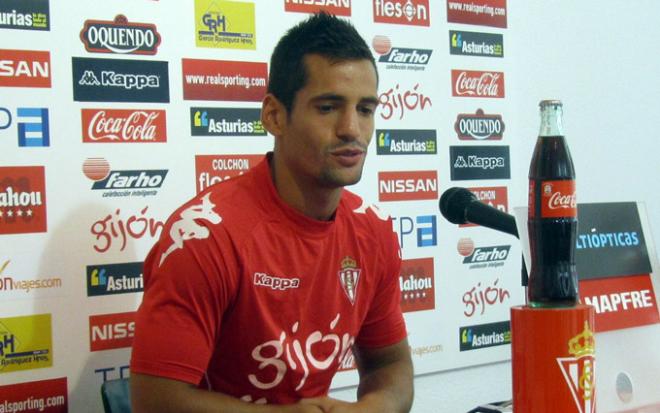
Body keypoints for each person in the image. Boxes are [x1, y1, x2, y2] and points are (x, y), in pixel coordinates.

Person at [130, 12, 413, 413]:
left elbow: (391, 365)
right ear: (274, 116)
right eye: (329, 107)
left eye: (366, 109)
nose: (352, 128)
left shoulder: (374, 230)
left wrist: (373, 408)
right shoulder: (205, 237)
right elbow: (154, 401)